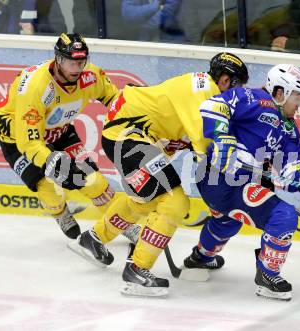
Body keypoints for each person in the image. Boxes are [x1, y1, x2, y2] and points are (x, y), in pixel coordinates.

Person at [70, 52, 249, 297]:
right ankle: (137, 270)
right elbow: (206, 149)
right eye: (237, 85)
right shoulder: (204, 91)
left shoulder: (204, 92)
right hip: (127, 136)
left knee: (146, 199)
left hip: (128, 136)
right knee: (175, 202)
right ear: (226, 79)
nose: (237, 94)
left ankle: (94, 238)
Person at [182, 64, 300, 301]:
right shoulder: (252, 97)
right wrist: (222, 139)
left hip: (234, 186)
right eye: (297, 97)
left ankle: (200, 257)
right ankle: (267, 275)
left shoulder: (290, 129)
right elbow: (212, 105)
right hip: (218, 176)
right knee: (284, 216)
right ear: (280, 92)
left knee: (228, 222)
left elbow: (291, 165)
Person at [0, 33, 137, 242]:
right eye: (72, 62)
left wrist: (135, 119)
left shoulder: (91, 76)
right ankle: (60, 213)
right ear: (58, 60)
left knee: (93, 181)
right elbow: (29, 142)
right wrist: (52, 161)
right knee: (49, 189)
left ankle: (123, 222)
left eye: (81, 62)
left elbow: (114, 98)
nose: (77, 69)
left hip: (58, 129)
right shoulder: (37, 87)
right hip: (16, 136)